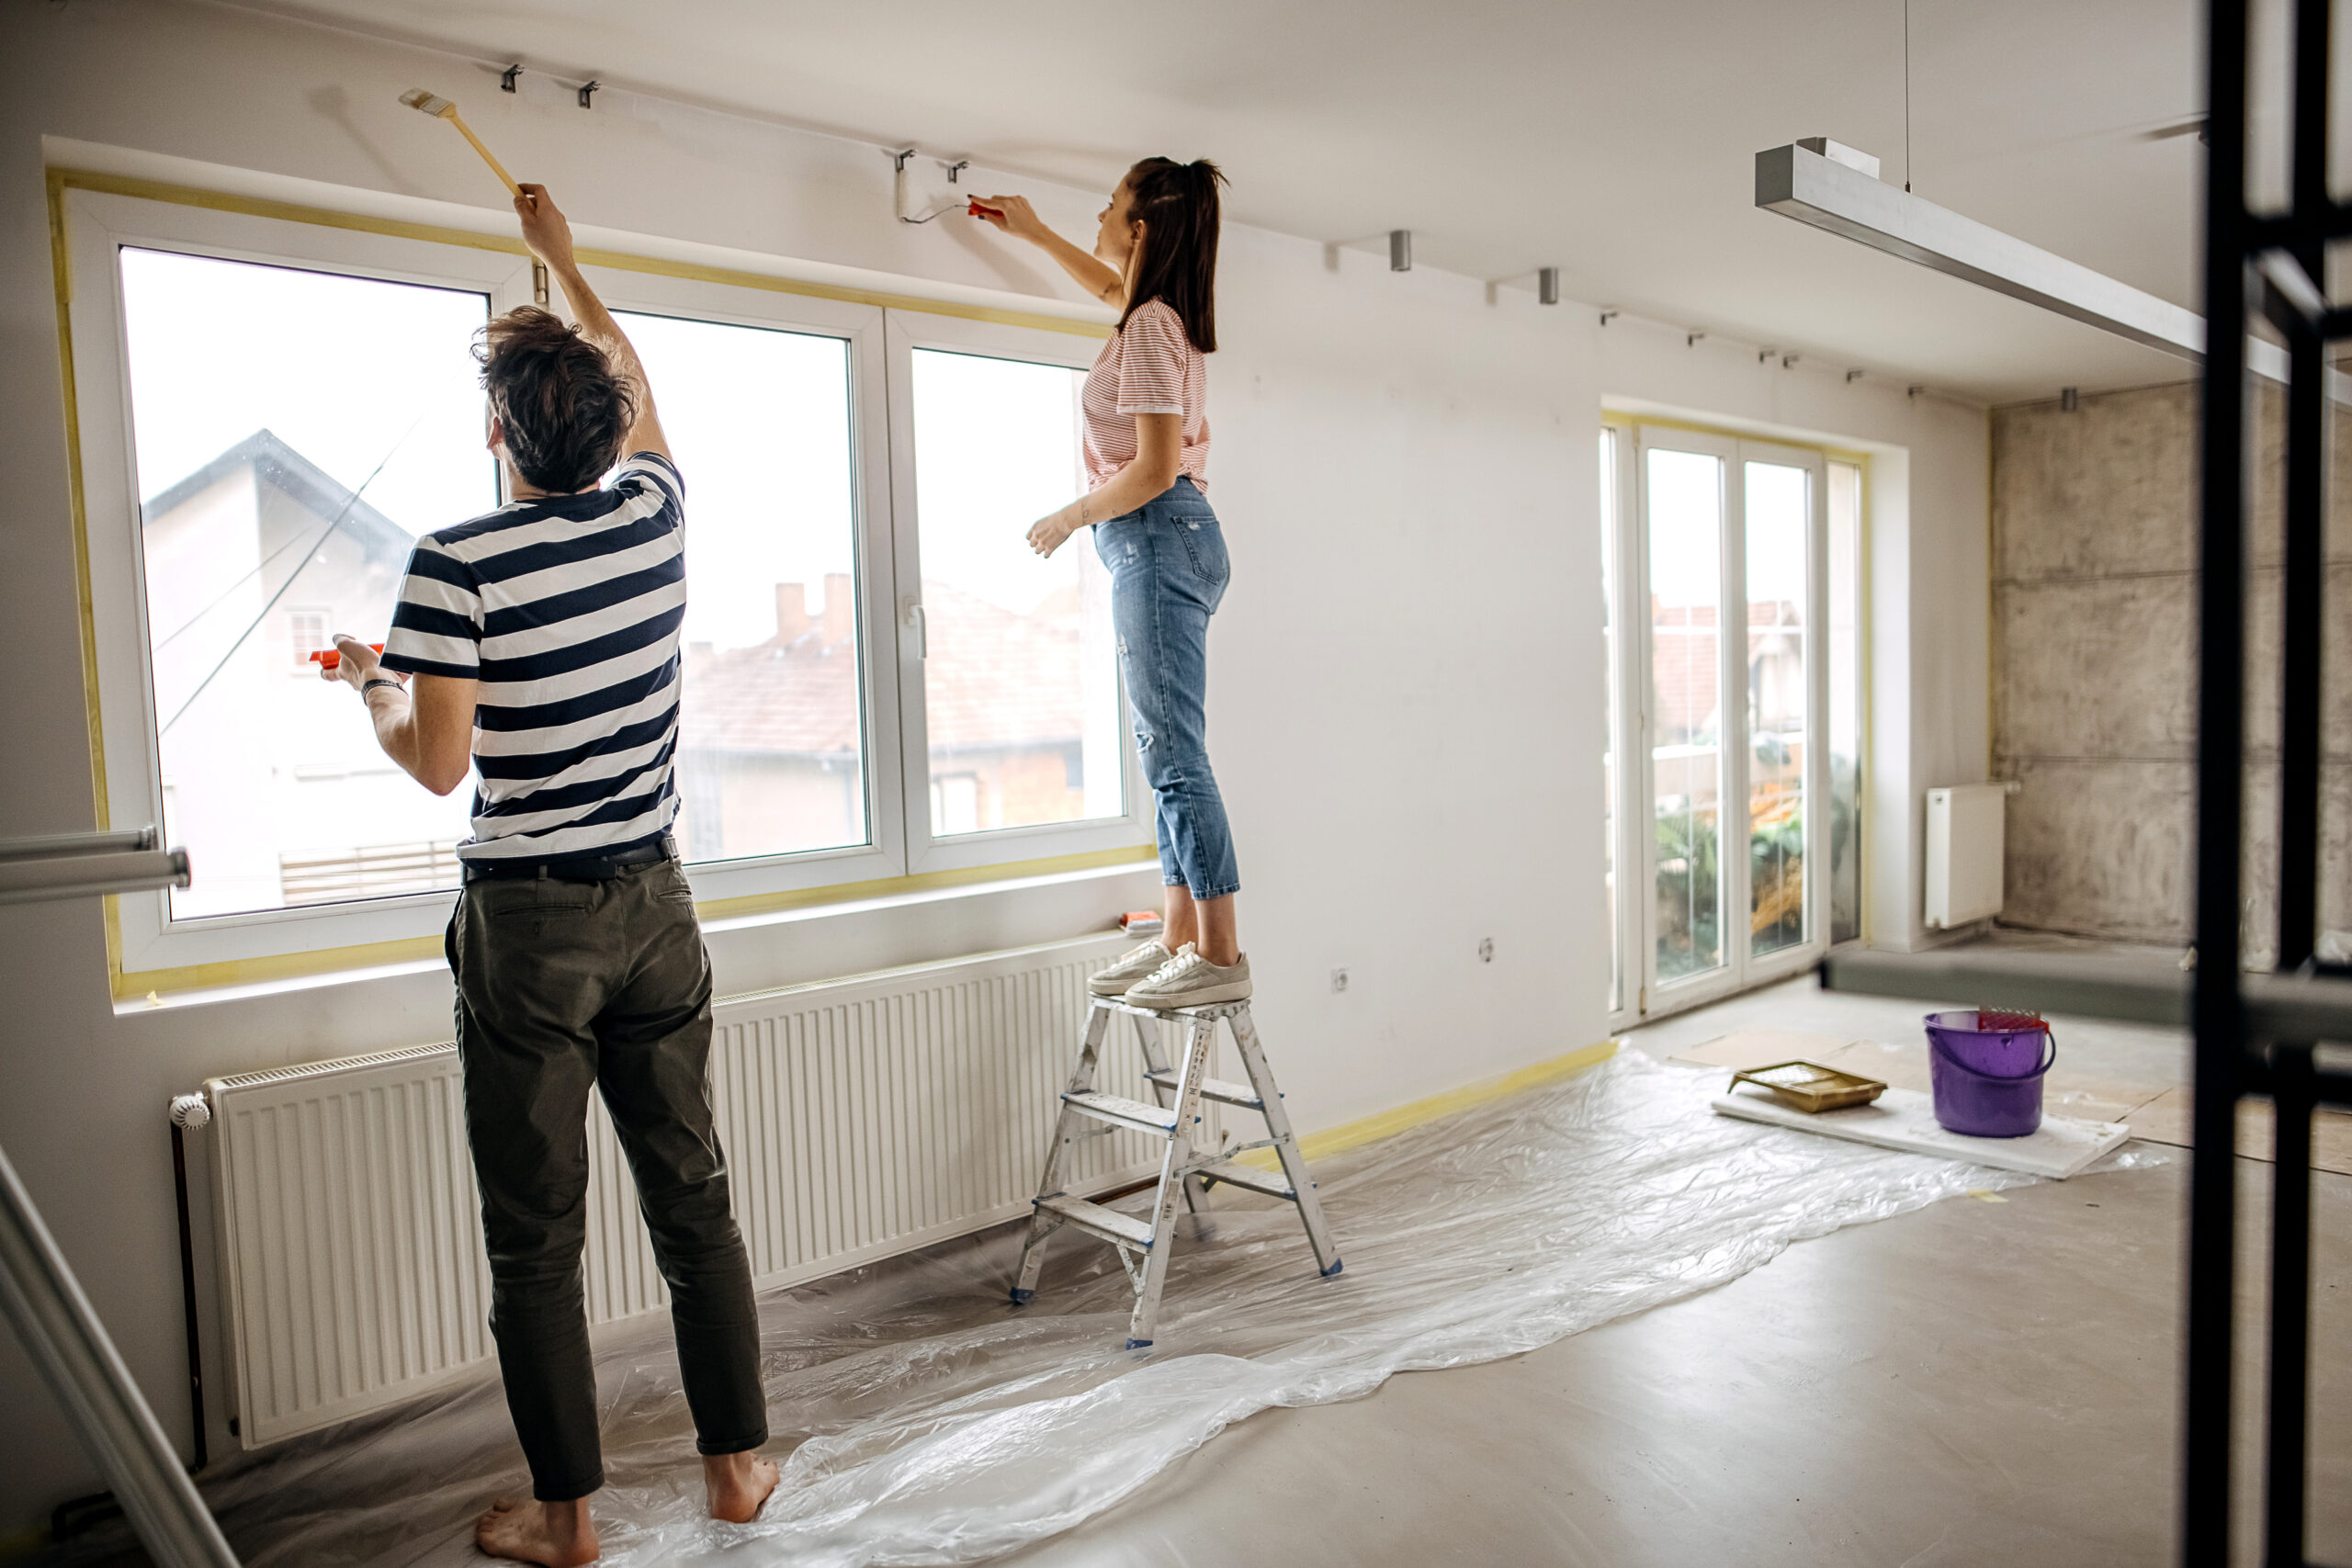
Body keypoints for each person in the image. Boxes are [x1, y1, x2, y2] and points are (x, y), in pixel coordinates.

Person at [320, 184, 775, 1566]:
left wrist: (373, 688)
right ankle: (737, 1470)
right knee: (692, 1196)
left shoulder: (454, 560)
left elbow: (437, 761)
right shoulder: (657, 518)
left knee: (538, 1235)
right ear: (609, 430)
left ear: (499, 435)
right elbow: (637, 383)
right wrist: (568, 263)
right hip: (657, 900)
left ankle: (567, 1517)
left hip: (531, 922)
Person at [974, 159, 1250, 1010]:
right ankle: (1177, 935)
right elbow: (1107, 284)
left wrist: (1068, 515)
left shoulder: (1153, 329)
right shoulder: (1149, 318)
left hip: (1157, 533)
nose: (1097, 213)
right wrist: (1035, 234)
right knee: (1160, 750)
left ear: (1139, 230)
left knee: (1176, 754)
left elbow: (1157, 467)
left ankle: (1218, 952)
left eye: (1110, 206)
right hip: (1158, 542)